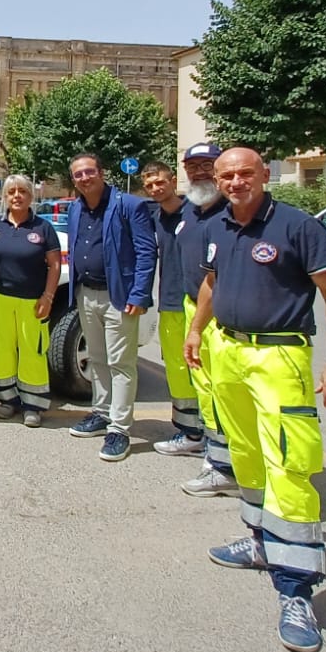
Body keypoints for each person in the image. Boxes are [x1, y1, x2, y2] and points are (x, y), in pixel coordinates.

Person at [185, 146, 326, 652]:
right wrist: (197, 329)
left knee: (289, 465)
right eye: (227, 176)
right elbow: (212, 283)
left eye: (245, 174)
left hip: (279, 356)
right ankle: (259, 540)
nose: (236, 182)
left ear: (264, 175)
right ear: (216, 180)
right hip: (229, 351)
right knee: (247, 455)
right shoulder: (217, 226)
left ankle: (296, 589)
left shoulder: (298, 226)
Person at [63, 151, 157, 462]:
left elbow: (146, 252)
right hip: (86, 294)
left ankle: (120, 428)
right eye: (78, 174)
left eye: (89, 172)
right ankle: (101, 413)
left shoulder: (129, 205)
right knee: (98, 359)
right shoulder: (76, 208)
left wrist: (139, 294)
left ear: (101, 173)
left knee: (121, 364)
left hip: (119, 296)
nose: (84, 178)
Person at [172, 142, 240, 497]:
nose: (198, 171)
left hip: (223, 314)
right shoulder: (191, 210)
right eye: (192, 165)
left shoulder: (233, 212)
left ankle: (226, 467)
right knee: (206, 388)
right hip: (192, 306)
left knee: (224, 393)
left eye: (206, 165)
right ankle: (215, 455)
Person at [0, 174, 61, 427]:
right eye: (11, 192)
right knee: (1, 349)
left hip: (33, 300)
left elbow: (55, 265)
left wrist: (48, 296)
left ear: (31, 196)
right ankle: (7, 400)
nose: (16, 196)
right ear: (5, 197)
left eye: (22, 191)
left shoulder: (43, 228)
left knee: (32, 349)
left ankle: (33, 405)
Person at [141, 161, 205, 456]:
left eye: (160, 182)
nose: (156, 188)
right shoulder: (154, 216)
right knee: (178, 371)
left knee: (205, 371)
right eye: (150, 185)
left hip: (200, 303)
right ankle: (190, 432)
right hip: (169, 302)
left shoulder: (197, 211)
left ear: (173, 180)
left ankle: (216, 435)